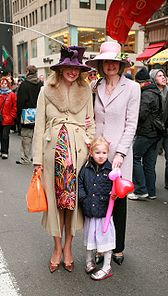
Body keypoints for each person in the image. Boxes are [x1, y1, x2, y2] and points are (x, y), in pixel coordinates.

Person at [32, 46, 95, 273]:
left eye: (76, 68)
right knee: (56, 204)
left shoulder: (86, 90)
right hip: (53, 156)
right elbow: (39, 126)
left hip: (78, 155)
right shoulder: (46, 90)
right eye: (68, 67)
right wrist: (37, 160)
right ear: (60, 68)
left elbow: (90, 121)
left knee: (73, 205)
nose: (72, 72)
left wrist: (91, 143)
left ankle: (69, 247)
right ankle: (56, 247)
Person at [85, 41, 141, 265]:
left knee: (118, 201)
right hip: (97, 152)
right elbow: (91, 117)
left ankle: (118, 248)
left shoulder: (133, 88)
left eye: (114, 62)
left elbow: (131, 124)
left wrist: (120, 153)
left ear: (121, 64)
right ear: (101, 65)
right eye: (106, 62)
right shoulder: (95, 86)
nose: (111, 66)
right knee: (98, 200)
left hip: (119, 154)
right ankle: (101, 246)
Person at [78, 137, 115, 280]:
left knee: (106, 238)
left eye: (104, 152)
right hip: (89, 210)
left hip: (104, 213)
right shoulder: (86, 168)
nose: (101, 155)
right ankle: (89, 261)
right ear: (91, 153)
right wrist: (83, 198)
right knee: (89, 237)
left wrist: (115, 193)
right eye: (98, 152)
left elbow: (117, 186)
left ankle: (107, 266)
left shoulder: (111, 169)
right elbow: (80, 182)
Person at [127, 68, 163, 200]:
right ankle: (151, 192)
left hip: (146, 132)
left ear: (141, 83)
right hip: (155, 133)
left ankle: (141, 189)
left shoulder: (146, 94)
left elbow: (141, 114)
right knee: (149, 163)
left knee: (134, 157)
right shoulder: (156, 91)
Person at [16, 65, 43, 164]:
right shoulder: (41, 84)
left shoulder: (24, 84)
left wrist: (19, 116)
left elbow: (20, 102)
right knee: (37, 137)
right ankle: (36, 157)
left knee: (26, 137)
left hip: (27, 114)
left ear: (27, 72)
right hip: (39, 113)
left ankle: (25, 158)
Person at [150, 69, 168, 189]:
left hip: (167, 128)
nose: (164, 77)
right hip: (155, 129)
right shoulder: (151, 92)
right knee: (151, 158)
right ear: (153, 78)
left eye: (164, 75)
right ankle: (150, 185)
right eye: (160, 75)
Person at [0, 77, 17, 159]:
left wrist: (12, 116)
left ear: (8, 84)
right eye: (2, 83)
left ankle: (4, 152)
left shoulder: (11, 95)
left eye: (5, 83)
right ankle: (1, 150)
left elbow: (14, 106)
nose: (3, 85)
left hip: (7, 119)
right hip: (0, 117)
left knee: (5, 136)